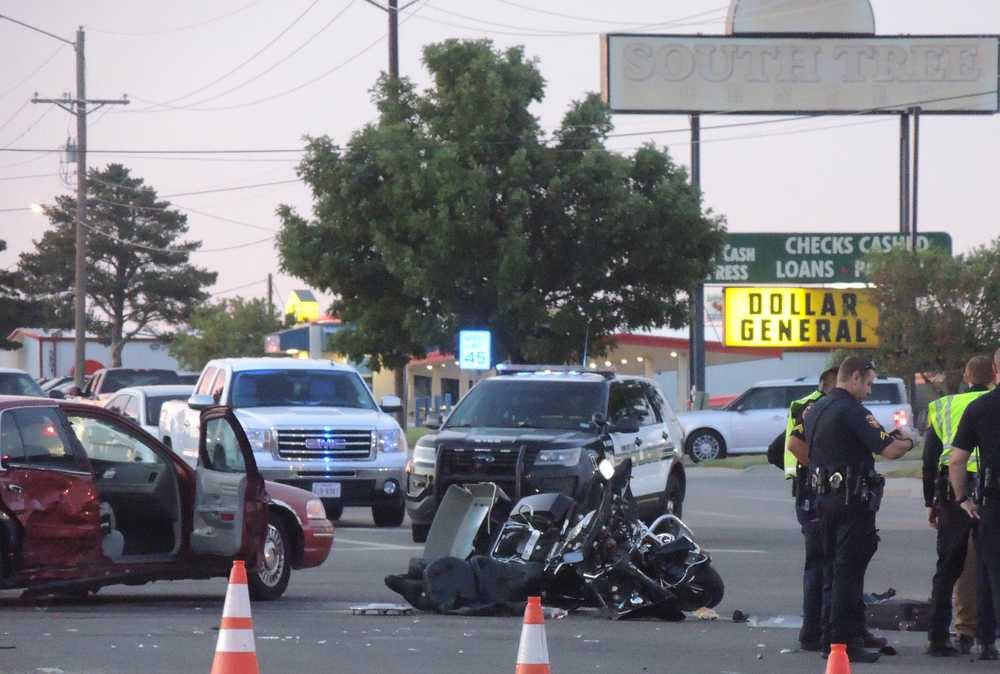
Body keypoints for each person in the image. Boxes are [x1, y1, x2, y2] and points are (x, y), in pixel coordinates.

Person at [803, 356, 918, 663]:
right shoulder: (852, 410)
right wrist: (908, 441)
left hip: (824, 501)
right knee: (848, 574)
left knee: (832, 572)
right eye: (868, 383)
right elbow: (890, 450)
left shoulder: (816, 408)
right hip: (851, 503)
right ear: (853, 377)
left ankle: (840, 634)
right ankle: (843, 643)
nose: (868, 390)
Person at [923, 355, 993, 656]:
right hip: (989, 489)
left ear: (965, 374)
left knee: (949, 565)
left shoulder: (944, 406)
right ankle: (986, 641)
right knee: (988, 564)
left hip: (954, 490)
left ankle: (939, 637)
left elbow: (930, 459)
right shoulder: (992, 403)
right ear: (993, 375)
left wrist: (931, 500)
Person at [766, 367, 837, 652]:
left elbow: (775, 450)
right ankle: (814, 632)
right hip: (815, 495)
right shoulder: (817, 408)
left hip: (807, 494)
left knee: (819, 564)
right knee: (822, 565)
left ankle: (814, 631)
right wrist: (816, 470)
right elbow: (785, 448)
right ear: (833, 385)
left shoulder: (807, 406)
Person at [948, 347, 1000, 661]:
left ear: (996, 369)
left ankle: (985, 641)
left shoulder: (980, 408)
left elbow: (957, 461)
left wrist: (962, 499)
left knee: (988, 569)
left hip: (992, 502)